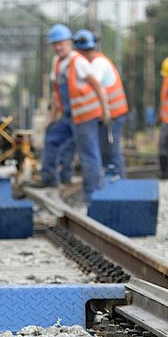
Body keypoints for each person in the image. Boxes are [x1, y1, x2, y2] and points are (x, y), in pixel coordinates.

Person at [35, 24, 111, 204]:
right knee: (52, 137)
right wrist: (51, 119)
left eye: (61, 43)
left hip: (85, 116)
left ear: (69, 43)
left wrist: (105, 111)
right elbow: (56, 94)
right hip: (69, 116)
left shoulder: (79, 61)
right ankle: (49, 178)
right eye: (55, 44)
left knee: (88, 154)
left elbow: (98, 86)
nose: (58, 47)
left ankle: (93, 195)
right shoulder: (57, 63)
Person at [73, 29, 128, 180]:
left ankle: (119, 185)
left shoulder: (98, 63)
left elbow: (93, 87)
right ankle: (112, 186)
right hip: (108, 117)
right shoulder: (97, 62)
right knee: (106, 153)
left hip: (112, 117)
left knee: (111, 153)